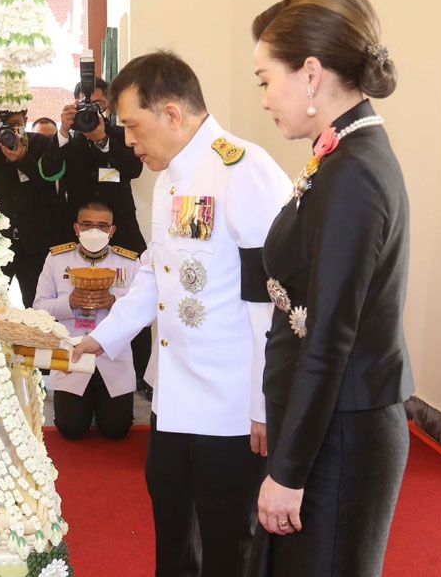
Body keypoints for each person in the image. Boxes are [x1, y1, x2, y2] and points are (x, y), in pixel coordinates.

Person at [71, 50, 292, 577]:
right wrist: (101, 339)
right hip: (173, 393)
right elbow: (155, 273)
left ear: (172, 114)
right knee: (172, 527)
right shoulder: (169, 177)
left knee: (226, 540)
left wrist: (264, 403)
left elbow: (271, 306)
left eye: (133, 126)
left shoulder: (244, 171)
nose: (128, 141)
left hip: (230, 404)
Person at [248, 0, 414, 577]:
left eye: (267, 79)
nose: (264, 97)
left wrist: (289, 471)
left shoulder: (354, 173)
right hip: (324, 424)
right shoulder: (343, 154)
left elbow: (329, 338)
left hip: (340, 437)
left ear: (311, 73)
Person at [44, 77, 154, 397]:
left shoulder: (121, 135)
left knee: (138, 297)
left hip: (121, 231)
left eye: (99, 106)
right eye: (85, 107)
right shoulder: (68, 141)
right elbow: (48, 172)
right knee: (76, 296)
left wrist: (104, 138)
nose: (91, 113)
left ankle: (141, 374)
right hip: (79, 233)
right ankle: (73, 367)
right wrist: (64, 132)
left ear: (109, 107)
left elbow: (134, 170)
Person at [34, 202, 140, 440]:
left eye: (102, 226)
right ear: (76, 228)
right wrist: (70, 302)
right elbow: (39, 307)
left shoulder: (129, 263)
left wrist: (113, 302)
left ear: (112, 231)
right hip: (72, 355)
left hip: (112, 356)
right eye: (88, 224)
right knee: (71, 429)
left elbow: (143, 315)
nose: (95, 231)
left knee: (116, 430)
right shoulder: (57, 259)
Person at [0, 106, 65, 307]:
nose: (11, 130)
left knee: (37, 307)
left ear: (26, 120)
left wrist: (23, 160)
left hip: (35, 244)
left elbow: (50, 185)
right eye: (5, 125)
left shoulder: (41, 143)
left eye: (16, 124)